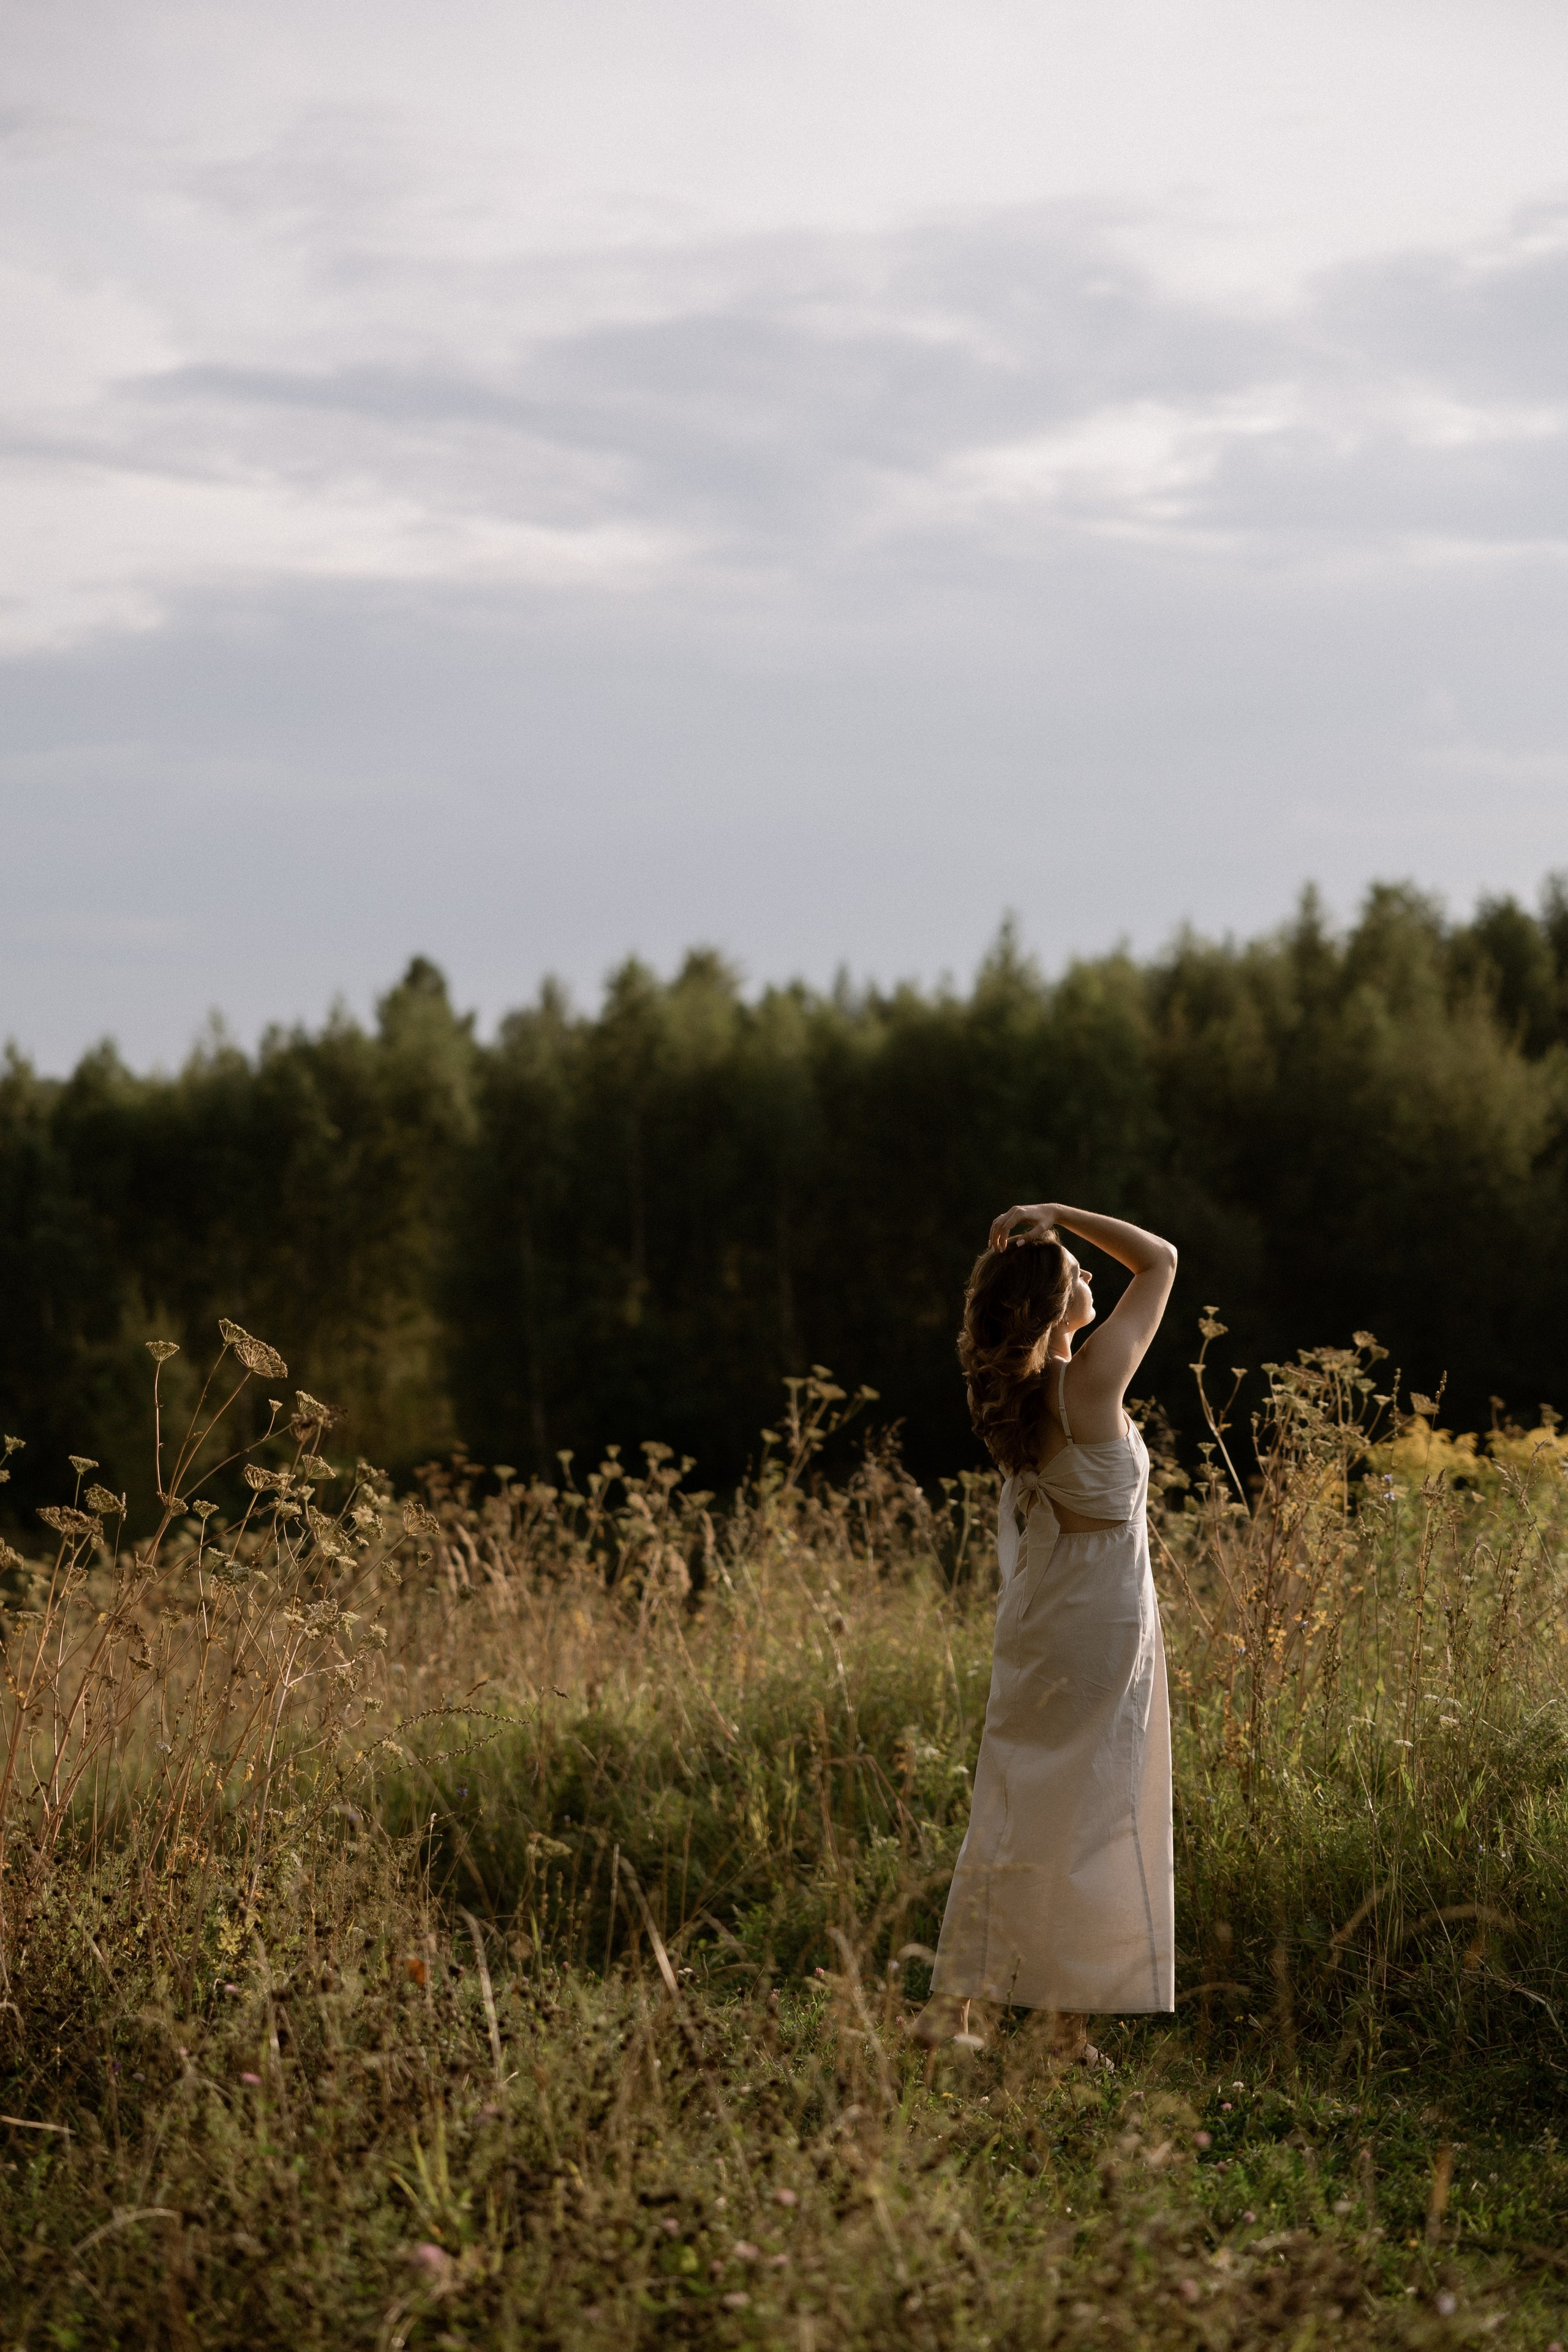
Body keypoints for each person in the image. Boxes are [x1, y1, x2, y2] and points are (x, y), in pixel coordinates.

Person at [913, 1201, 1178, 2060]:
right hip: (1099, 1614)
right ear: (1054, 1303)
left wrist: (1047, 1245)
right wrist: (1056, 1211)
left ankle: (952, 2013)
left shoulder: (1013, 1395)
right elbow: (1162, 1259)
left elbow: (1132, 1271)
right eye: (1076, 1271)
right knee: (1097, 1807)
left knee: (1017, 1802)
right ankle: (1064, 2029)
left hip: (1037, 1614)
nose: (1092, 1275)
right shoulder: (1088, 1383)